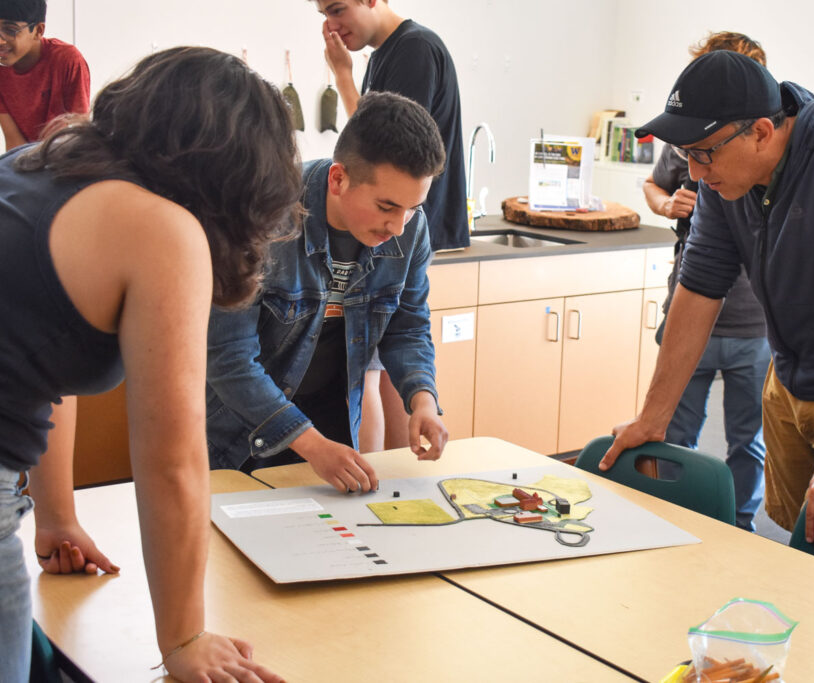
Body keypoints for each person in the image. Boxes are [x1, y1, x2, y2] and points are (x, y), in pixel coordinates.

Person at [0, 47, 300, 682]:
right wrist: (185, 636)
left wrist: (56, 519)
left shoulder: (37, 166)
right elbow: (171, 458)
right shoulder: (163, 230)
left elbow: (40, 369)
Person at [603, 51, 814, 554]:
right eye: (688, 155)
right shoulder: (725, 173)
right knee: (795, 523)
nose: (695, 174)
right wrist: (653, 417)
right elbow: (698, 286)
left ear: (761, 131)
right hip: (793, 364)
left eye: (703, 155)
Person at [205, 91, 449, 493]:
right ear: (338, 179)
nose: (399, 227)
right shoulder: (261, 215)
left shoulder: (410, 228)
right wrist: (311, 444)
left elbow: (407, 327)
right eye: (387, 206)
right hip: (238, 438)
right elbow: (230, 360)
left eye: (412, 208)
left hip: (331, 435)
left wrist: (422, 397)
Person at [313, 0, 469, 453]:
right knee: (368, 369)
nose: (331, 25)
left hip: (404, 239)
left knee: (369, 368)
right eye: (324, 13)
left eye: (338, 8)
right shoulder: (386, 53)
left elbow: (387, 149)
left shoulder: (414, 49)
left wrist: (342, 74)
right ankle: (380, 479)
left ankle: (383, 480)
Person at [642, 32, 771, 532]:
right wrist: (667, 204)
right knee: (673, 434)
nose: (699, 167)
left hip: (751, 327)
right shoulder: (690, 142)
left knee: (748, 440)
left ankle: (739, 529)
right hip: (688, 316)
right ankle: (670, 518)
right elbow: (655, 187)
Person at [0, 0, 90, 151]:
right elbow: (13, 141)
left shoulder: (67, 59)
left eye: (10, 30)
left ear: (38, 31)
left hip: (65, 155)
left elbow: (78, 128)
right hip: (25, 160)